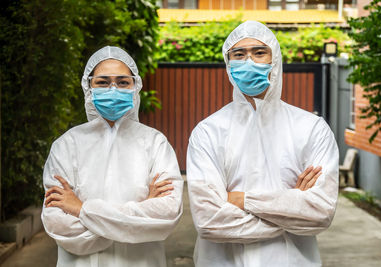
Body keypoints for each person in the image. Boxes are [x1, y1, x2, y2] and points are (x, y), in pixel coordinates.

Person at [187, 21, 339, 267]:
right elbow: (208, 220)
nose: (248, 62)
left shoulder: (311, 128)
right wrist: (289, 208)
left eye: (259, 52)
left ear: (274, 61)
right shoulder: (207, 132)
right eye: (239, 54)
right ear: (228, 64)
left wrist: (241, 200)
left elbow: (320, 213)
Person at [41, 46, 183, 267]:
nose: (113, 89)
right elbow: (59, 226)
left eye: (123, 82)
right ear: (88, 87)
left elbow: (166, 216)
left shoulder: (155, 143)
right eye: (103, 82)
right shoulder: (66, 146)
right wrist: (138, 217)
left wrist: (81, 209)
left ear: (135, 87)